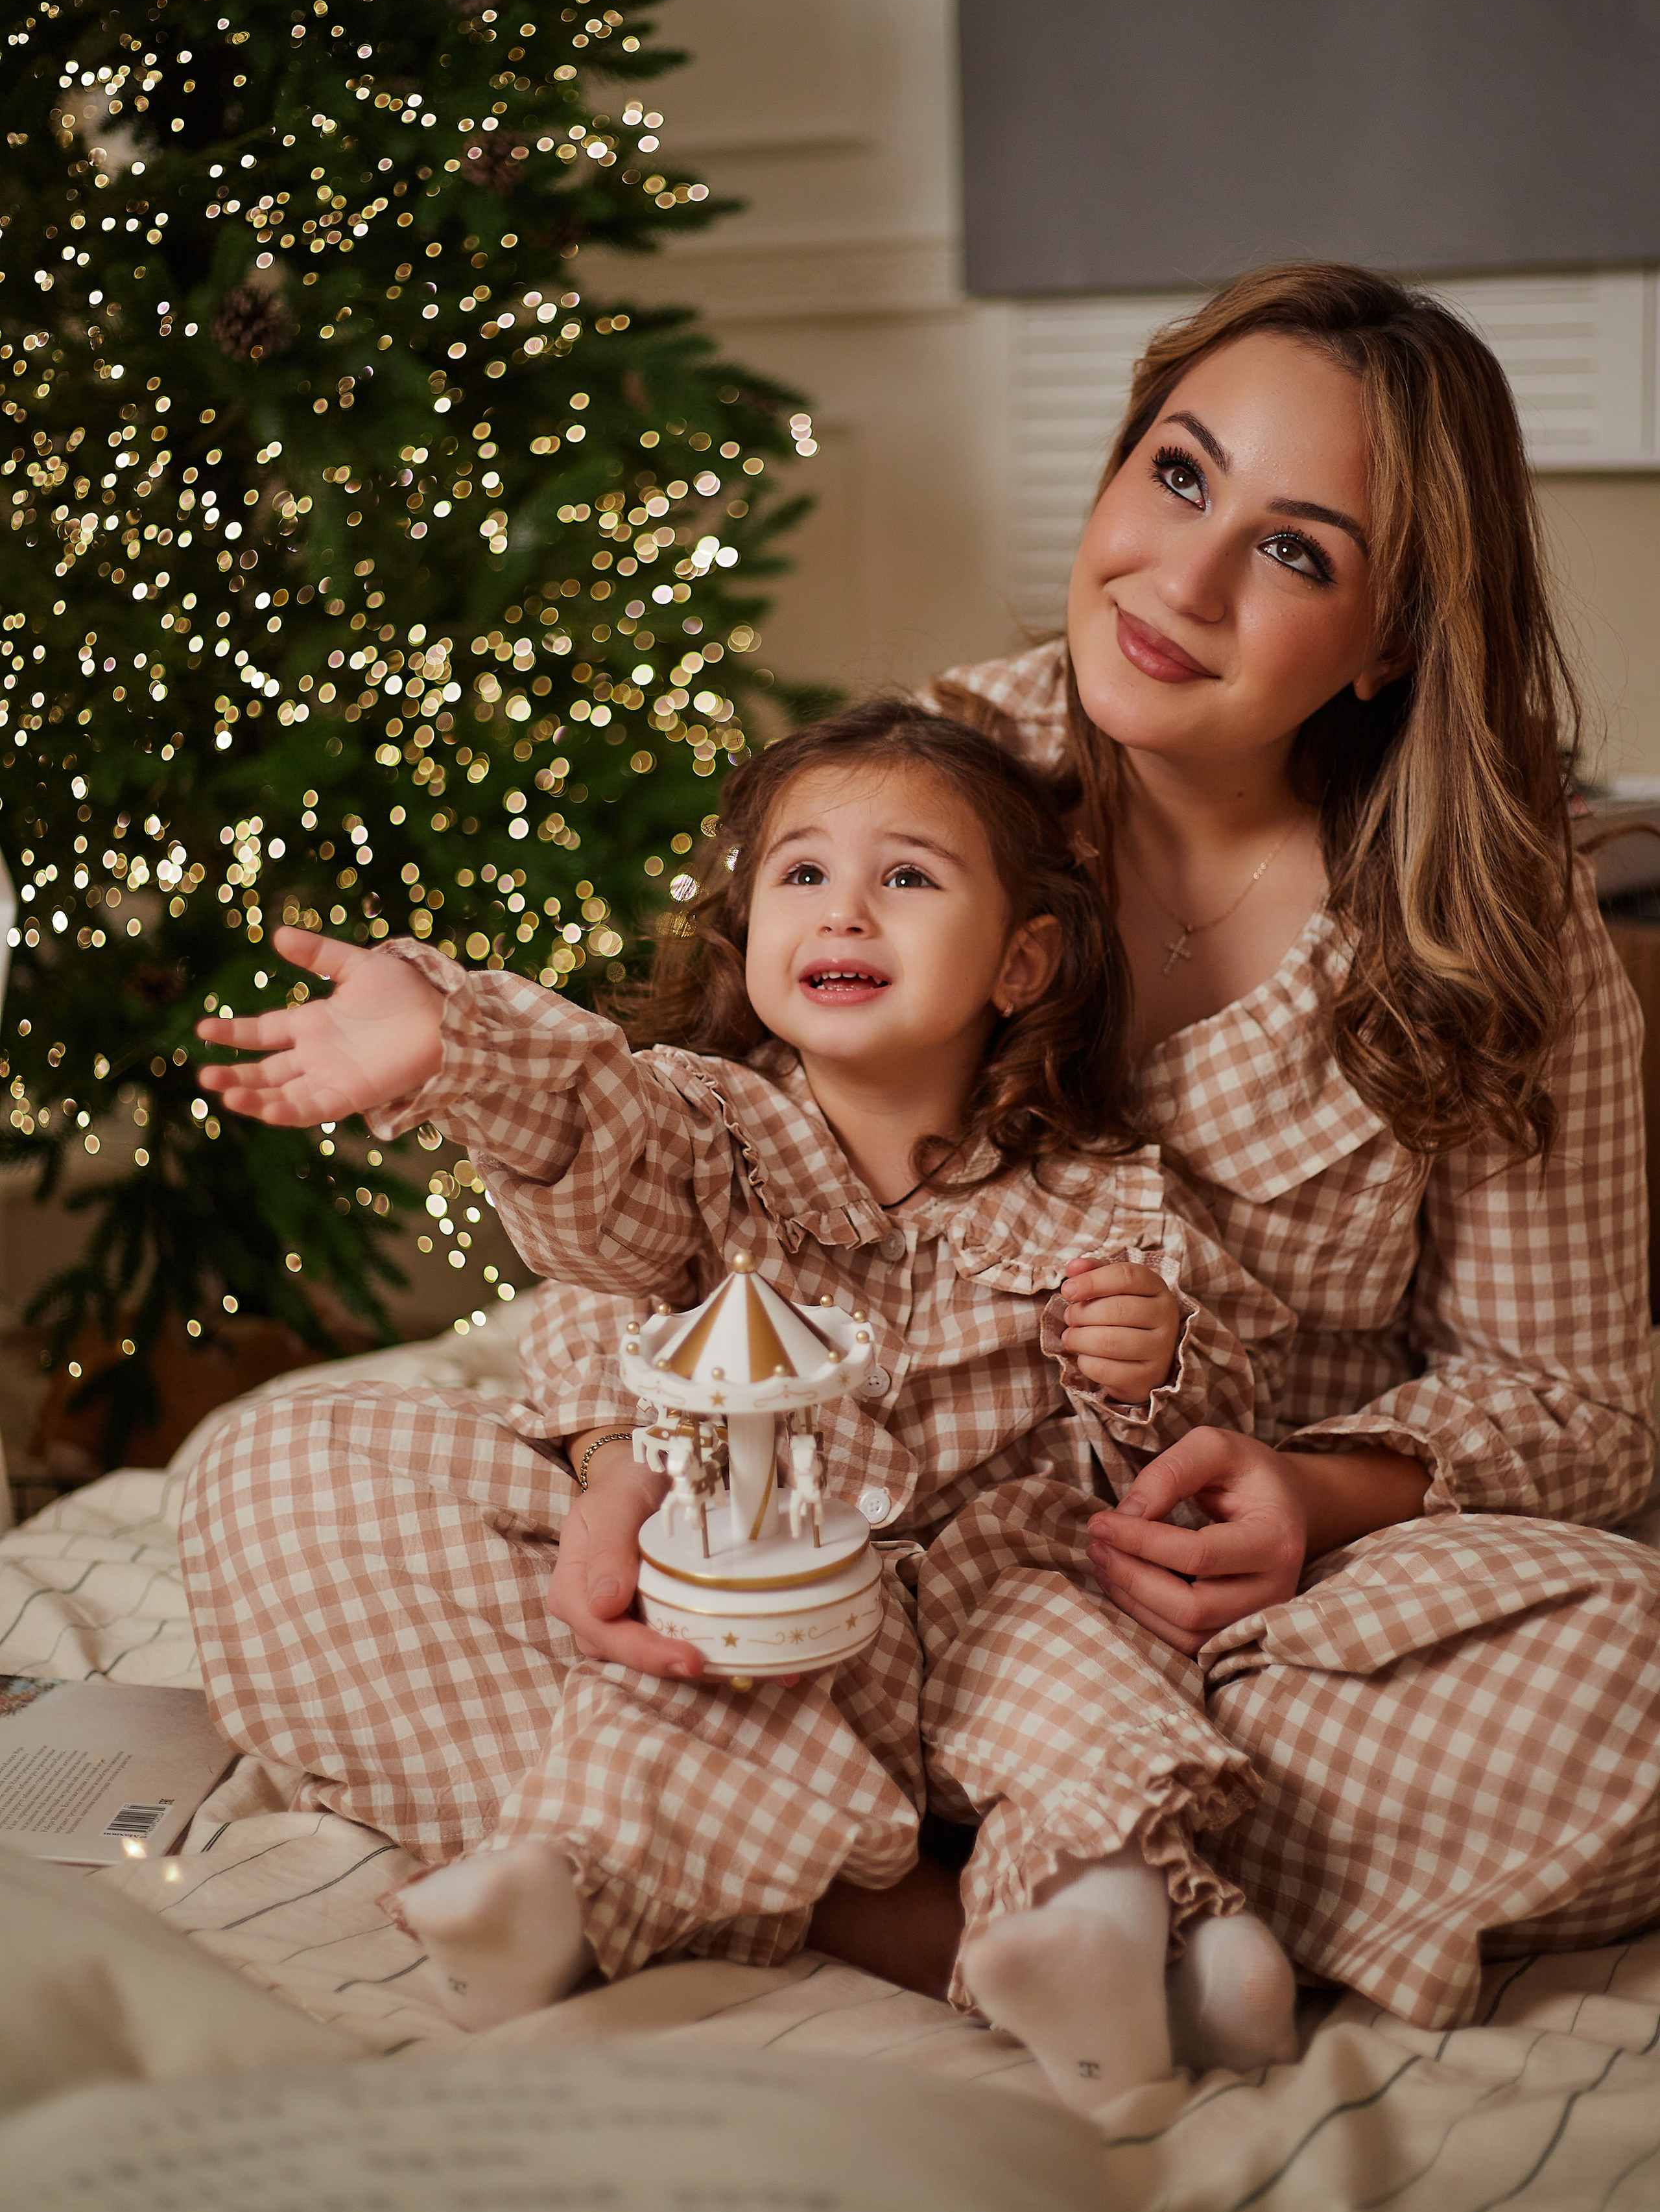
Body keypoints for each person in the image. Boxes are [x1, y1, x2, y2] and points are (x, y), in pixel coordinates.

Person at [182, 703, 1294, 2109]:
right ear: (749, 929)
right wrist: (454, 1042)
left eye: (905, 877)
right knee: (673, 1692)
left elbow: (1213, 1417)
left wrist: (1153, 1361)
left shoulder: (1105, 1193)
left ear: (1021, 959)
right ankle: (555, 1884)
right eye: (801, 874)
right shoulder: (702, 1133)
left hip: (1009, 1595)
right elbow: (597, 1142)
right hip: (768, 1584)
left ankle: (1101, 1925)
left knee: (1088, 1698)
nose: (844, 909)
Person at [879, 260, 1657, 2034]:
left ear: (1390, 642)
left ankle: (885, 1836)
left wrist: (1315, 1492)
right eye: (1177, 474)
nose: (1185, 578)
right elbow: (702, 1177)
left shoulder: (1492, 910)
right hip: (889, 1569)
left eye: (1298, 551)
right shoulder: (928, 777)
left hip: (1265, 1641)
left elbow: (1582, 1403)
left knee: (1640, 1662)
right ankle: (975, 1903)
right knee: (290, 1477)